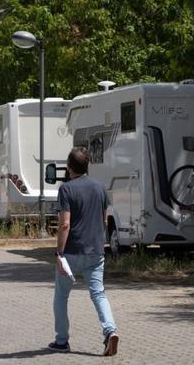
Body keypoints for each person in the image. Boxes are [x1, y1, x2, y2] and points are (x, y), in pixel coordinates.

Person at [49, 146, 119, 356]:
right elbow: (104, 220)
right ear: (87, 166)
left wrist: (59, 253)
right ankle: (110, 330)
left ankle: (62, 341)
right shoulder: (100, 188)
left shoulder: (66, 189)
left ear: (69, 167)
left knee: (61, 296)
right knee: (98, 294)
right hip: (95, 251)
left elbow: (64, 225)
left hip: (71, 251)